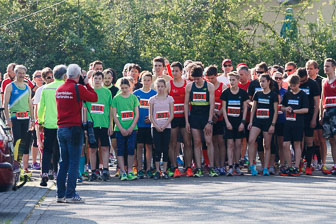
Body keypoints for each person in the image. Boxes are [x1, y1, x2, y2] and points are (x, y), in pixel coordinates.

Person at [56, 64, 98, 203]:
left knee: (63, 162)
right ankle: (71, 194)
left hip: (61, 128)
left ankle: (60, 194)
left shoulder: (60, 88)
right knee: (74, 162)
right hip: (74, 128)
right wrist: (87, 84)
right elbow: (94, 97)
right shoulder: (78, 88)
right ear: (79, 75)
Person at [184, 65, 217, 177]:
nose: (196, 81)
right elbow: (186, 104)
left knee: (208, 141)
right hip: (194, 117)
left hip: (205, 116)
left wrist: (209, 122)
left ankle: (211, 167)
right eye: (194, 79)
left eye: (198, 79)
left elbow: (212, 105)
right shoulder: (189, 87)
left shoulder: (209, 86)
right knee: (197, 142)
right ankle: (198, 168)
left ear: (202, 76)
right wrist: (187, 121)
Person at [3, 65, 34, 177]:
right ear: (15, 74)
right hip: (15, 117)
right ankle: (15, 164)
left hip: (26, 117)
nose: (21, 75)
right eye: (19, 73)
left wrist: (33, 119)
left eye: (23, 73)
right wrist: (7, 119)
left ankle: (21, 166)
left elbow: (30, 104)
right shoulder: (10, 87)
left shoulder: (27, 87)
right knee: (17, 141)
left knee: (25, 143)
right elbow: (5, 104)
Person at [38, 65, 65, 186]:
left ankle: (44, 172)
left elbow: (41, 107)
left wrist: (40, 121)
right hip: (62, 123)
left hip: (48, 123)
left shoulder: (46, 88)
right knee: (59, 149)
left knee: (47, 150)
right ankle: (58, 172)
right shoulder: (65, 87)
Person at [248, 74, 278, 176]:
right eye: (260, 81)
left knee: (267, 145)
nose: (261, 83)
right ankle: (252, 165)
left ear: (268, 81)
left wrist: (273, 124)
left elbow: (275, 111)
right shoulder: (257, 93)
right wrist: (251, 122)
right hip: (257, 121)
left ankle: (266, 167)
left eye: (263, 81)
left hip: (268, 122)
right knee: (251, 140)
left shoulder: (273, 95)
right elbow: (253, 108)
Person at [167, 62, 193, 177]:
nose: (174, 73)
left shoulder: (187, 84)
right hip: (173, 118)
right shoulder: (169, 84)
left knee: (187, 143)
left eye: (176, 71)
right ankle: (174, 167)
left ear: (181, 71)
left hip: (184, 117)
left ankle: (188, 167)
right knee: (173, 143)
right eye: (172, 71)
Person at [85, 71, 113, 181]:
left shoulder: (107, 92)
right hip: (92, 125)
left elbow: (110, 109)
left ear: (102, 79)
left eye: (99, 78)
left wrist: (110, 124)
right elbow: (85, 108)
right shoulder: (88, 92)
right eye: (95, 78)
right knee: (92, 148)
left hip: (104, 124)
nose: (97, 80)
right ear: (92, 79)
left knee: (105, 147)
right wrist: (87, 124)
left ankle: (105, 169)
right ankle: (93, 170)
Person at [221, 72, 249, 176]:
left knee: (238, 144)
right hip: (229, 121)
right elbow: (223, 108)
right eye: (230, 80)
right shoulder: (225, 92)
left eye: (234, 80)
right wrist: (227, 122)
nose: (232, 82)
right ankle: (230, 166)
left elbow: (245, 108)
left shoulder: (243, 93)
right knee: (230, 144)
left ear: (238, 80)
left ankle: (237, 165)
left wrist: (243, 122)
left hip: (239, 121)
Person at [281, 74, 309, 176]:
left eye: (294, 85)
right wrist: (286, 109)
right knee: (285, 144)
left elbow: (306, 109)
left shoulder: (302, 95)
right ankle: (289, 166)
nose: (292, 87)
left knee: (297, 144)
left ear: (298, 84)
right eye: (291, 86)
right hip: (288, 122)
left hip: (298, 123)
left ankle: (296, 167)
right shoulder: (287, 94)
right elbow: (282, 107)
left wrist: (294, 111)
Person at [112, 78, 139, 181]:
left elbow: (136, 114)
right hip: (120, 129)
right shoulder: (116, 99)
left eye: (126, 88)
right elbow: (114, 115)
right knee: (120, 150)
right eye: (122, 88)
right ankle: (122, 171)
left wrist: (131, 127)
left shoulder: (133, 98)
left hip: (132, 128)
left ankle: (130, 171)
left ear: (130, 87)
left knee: (131, 149)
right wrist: (121, 128)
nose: (124, 90)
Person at [306, 60, 329, 174]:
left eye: (311, 68)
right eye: (307, 69)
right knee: (313, 139)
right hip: (309, 114)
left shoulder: (321, 81)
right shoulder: (305, 81)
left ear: (316, 69)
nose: (309, 71)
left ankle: (323, 163)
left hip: (321, 112)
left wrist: (320, 113)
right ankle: (315, 161)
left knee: (322, 139)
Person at [149, 78, 174, 180]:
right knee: (157, 149)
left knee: (165, 149)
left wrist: (164, 125)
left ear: (165, 87)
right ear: (155, 87)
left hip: (166, 127)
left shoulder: (170, 99)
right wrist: (156, 125)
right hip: (155, 127)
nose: (160, 88)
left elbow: (171, 114)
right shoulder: (152, 100)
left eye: (162, 86)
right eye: (158, 86)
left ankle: (164, 170)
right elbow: (150, 115)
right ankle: (157, 170)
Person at [205, 65, 227, 175]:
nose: (210, 80)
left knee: (221, 142)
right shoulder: (206, 86)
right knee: (212, 142)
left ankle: (222, 165)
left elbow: (225, 104)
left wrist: (218, 114)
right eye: (208, 78)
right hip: (210, 117)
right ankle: (215, 165)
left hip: (220, 117)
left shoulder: (223, 87)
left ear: (217, 76)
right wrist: (211, 114)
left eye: (212, 78)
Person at [297, 67, 320, 175]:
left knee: (309, 141)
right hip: (298, 117)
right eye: (300, 81)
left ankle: (309, 166)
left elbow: (317, 103)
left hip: (310, 116)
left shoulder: (313, 84)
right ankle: (300, 162)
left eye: (303, 80)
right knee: (298, 141)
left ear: (306, 76)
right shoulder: (295, 82)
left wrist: (314, 119)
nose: (301, 82)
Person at [133, 72, 157, 179]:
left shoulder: (154, 94)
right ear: (141, 80)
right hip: (139, 124)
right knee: (139, 146)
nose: (146, 82)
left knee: (149, 146)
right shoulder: (136, 93)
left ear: (151, 81)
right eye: (144, 80)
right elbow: (133, 109)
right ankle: (139, 169)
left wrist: (152, 119)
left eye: (148, 80)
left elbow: (158, 109)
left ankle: (148, 168)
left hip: (150, 125)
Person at [320, 58, 336, 175]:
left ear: (334, 67)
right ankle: (335, 165)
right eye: (325, 66)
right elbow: (322, 99)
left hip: (335, 111)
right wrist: (321, 114)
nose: (325, 68)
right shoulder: (323, 81)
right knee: (331, 140)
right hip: (326, 111)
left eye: (328, 66)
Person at [272, 72, 287, 173]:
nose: (278, 80)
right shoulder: (269, 92)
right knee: (271, 143)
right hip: (271, 120)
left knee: (281, 143)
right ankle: (272, 164)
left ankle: (282, 164)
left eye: (280, 78)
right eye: (276, 78)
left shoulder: (285, 92)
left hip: (282, 120)